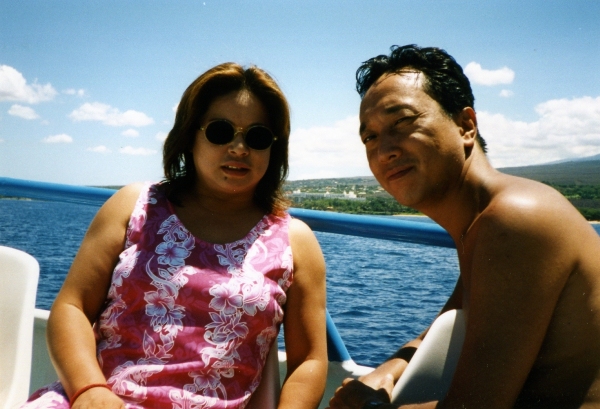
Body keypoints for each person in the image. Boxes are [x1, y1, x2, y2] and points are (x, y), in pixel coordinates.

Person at [23, 63, 328, 409]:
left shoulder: (294, 242)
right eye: (220, 131)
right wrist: (89, 390)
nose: (239, 147)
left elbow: (309, 360)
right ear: (189, 135)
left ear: (274, 147)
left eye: (257, 136)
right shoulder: (133, 206)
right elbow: (72, 306)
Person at [328, 44, 600, 408]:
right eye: (370, 137)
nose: (384, 150)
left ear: (465, 125)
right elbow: (452, 314)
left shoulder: (514, 219)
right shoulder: (479, 225)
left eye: (403, 121)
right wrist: (389, 369)